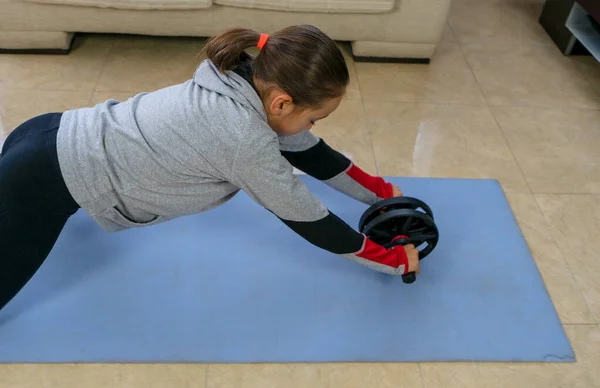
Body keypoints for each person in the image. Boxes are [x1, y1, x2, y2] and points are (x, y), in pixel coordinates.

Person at [0, 25, 419, 313]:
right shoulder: (244, 139)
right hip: (48, 179)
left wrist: (381, 193)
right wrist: (396, 259)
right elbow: (311, 220)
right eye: (315, 118)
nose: (311, 129)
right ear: (282, 104)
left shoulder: (242, 79)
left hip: (45, 132)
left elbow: (309, 152)